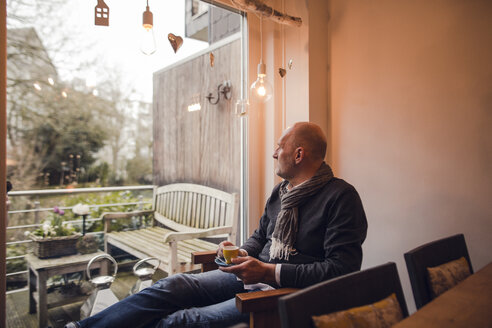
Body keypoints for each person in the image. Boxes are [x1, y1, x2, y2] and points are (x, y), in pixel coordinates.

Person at [66, 122, 368, 328]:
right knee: (173, 284)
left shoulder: (341, 197)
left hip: (290, 292)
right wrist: (238, 252)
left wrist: (269, 271)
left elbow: (343, 270)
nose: (275, 153)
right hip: (252, 276)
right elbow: (261, 236)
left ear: (299, 154)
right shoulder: (282, 192)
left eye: (280, 147)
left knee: (181, 320)